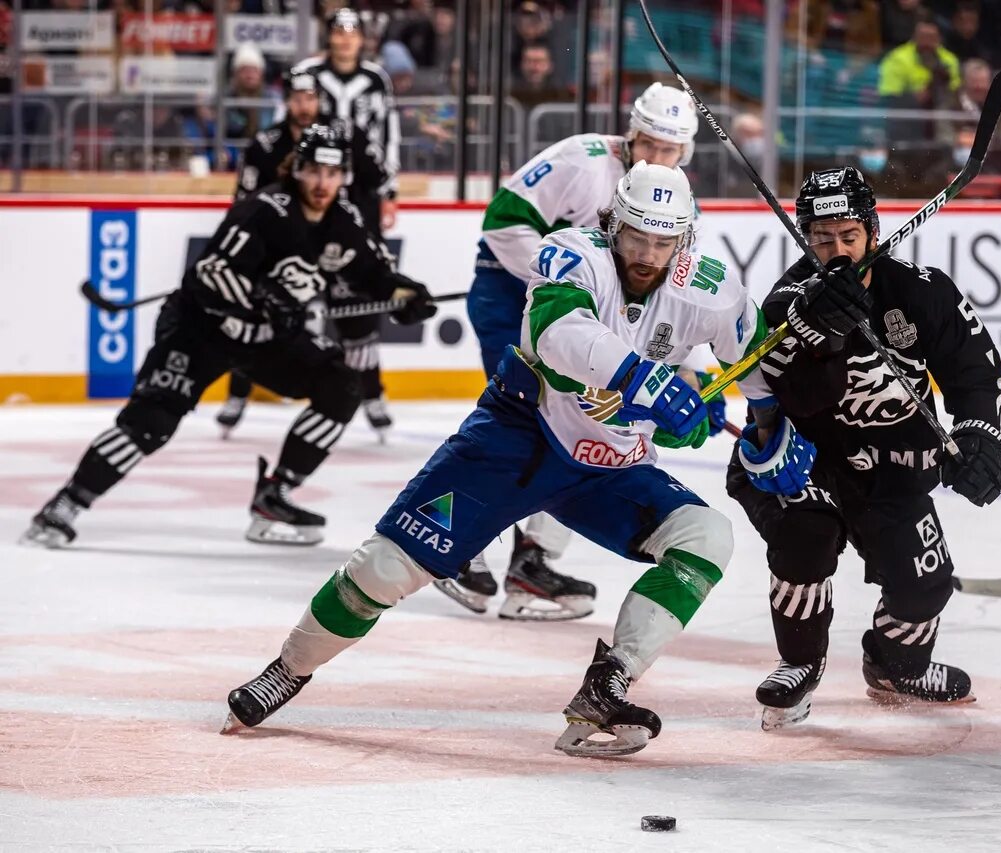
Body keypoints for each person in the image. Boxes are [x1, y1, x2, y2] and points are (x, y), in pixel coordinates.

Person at [223, 163, 776, 759]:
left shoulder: (713, 289)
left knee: (707, 537)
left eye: (663, 241)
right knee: (382, 570)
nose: (646, 254)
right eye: (635, 235)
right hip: (516, 440)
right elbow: (557, 335)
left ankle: (610, 682)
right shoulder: (569, 252)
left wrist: (776, 432)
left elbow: (762, 366)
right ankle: (289, 668)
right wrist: (649, 382)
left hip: (608, 465)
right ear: (612, 223)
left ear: (685, 239)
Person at [21, 127, 437, 550]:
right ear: (297, 168)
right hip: (199, 330)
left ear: (345, 176)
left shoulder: (343, 221)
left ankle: (274, 496)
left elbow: (374, 274)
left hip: (265, 338)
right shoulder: (264, 210)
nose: (322, 183)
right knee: (153, 422)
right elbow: (208, 277)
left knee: (342, 386)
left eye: (332, 173)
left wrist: (405, 295)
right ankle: (65, 504)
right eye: (314, 170)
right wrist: (261, 298)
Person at [726, 167, 1001, 731]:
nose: (836, 251)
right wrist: (823, 338)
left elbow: (975, 370)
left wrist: (981, 436)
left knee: (923, 584)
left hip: (894, 469)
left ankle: (894, 664)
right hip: (807, 462)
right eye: (822, 239)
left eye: (848, 237)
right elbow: (801, 401)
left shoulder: (920, 290)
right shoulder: (786, 306)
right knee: (805, 538)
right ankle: (799, 662)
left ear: (873, 233)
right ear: (804, 236)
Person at [452, 82, 710, 623]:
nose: (658, 157)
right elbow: (503, 220)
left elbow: (676, 288)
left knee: (584, 430)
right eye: (650, 144)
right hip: (515, 296)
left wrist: (683, 363)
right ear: (631, 133)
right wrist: (566, 286)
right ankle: (458, 539)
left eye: (671, 151)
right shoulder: (583, 158)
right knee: (524, 421)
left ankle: (533, 560)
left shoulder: (673, 199)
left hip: (591, 317)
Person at [217, 71, 396, 437]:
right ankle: (237, 393)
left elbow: (377, 178)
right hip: (284, 248)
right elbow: (245, 201)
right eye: (297, 98)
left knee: (357, 320)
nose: (304, 106)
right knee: (255, 313)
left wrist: (358, 225)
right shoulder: (266, 144)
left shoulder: (345, 136)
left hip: (336, 242)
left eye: (310, 97)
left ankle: (373, 395)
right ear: (286, 101)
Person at [292, 8, 404, 437]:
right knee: (287, 286)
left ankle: (371, 391)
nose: (343, 40)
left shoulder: (376, 79)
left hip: (359, 197)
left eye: (351, 33)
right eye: (337, 32)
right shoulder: (306, 72)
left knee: (361, 291)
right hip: (310, 193)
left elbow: (388, 134)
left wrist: (389, 191)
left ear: (362, 40)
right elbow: (287, 127)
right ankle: (244, 389)